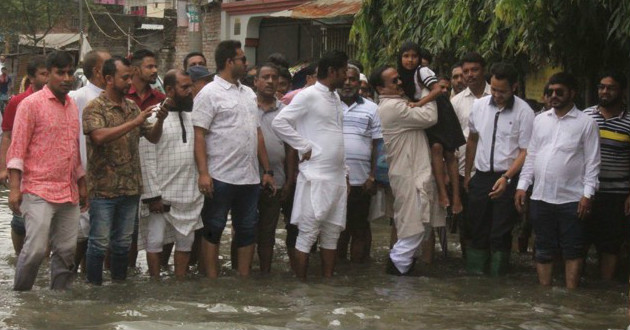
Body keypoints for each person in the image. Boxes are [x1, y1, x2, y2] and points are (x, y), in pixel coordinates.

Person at [192, 40, 274, 279]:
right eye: (242, 59)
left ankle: (244, 279)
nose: (246, 64)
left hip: (249, 177)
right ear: (229, 62)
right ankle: (212, 280)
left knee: (248, 229)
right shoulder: (209, 93)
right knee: (214, 228)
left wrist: (267, 170)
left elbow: (257, 133)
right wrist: (203, 173)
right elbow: (199, 134)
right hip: (220, 175)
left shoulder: (248, 93)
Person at [83, 56, 168, 285]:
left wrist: (159, 121)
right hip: (103, 189)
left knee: (122, 243)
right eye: (125, 78)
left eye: (130, 76)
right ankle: (94, 288)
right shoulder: (94, 107)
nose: (130, 82)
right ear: (109, 79)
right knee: (99, 243)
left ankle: (119, 288)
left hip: (131, 188)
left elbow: (152, 137)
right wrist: (134, 122)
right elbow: (98, 137)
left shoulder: (132, 107)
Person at [7, 51, 88, 291]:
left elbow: (73, 148)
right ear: (48, 74)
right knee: (35, 250)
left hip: (68, 189)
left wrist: (82, 184)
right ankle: (21, 299)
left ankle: (58, 302)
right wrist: (14, 189)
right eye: (59, 73)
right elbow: (17, 148)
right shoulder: (30, 105)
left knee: (66, 252)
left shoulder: (72, 105)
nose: (66, 78)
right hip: (37, 188)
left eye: (69, 73)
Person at [515, 72, 600, 289]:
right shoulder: (540, 120)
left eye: (559, 92)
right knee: (543, 248)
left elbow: (592, 163)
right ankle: (545, 293)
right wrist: (522, 186)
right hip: (541, 196)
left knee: (573, 249)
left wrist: (587, 195)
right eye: (550, 92)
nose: (554, 96)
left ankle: (571, 293)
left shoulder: (586, 123)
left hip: (572, 198)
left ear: (572, 93)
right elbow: (532, 155)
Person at [272, 50, 349, 280]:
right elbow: (280, 123)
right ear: (332, 71)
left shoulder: (335, 98)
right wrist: (303, 146)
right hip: (314, 177)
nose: (346, 76)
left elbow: (336, 136)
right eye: (344, 72)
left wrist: (345, 172)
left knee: (332, 234)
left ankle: (327, 287)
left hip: (336, 179)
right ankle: (301, 289)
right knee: (307, 234)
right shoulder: (308, 95)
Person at [464, 62, 534, 276]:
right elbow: (473, 139)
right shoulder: (479, 106)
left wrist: (506, 177)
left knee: (500, 232)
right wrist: (468, 174)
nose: (496, 95)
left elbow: (525, 151)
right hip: (482, 176)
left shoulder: (525, 112)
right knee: (477, 230)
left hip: (509, 178)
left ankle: (497, 279)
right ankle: (476, 280)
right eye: (493, 89)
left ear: (514, 87)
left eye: (502, 91)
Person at [368, 65, 438, 276]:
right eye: (394, 81)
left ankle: (402, 282)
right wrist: (427, 86)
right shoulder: (391, 107)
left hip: (411, 171)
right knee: (412, 227)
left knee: (418, 227)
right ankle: (397, 276)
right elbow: (430, 116)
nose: (400, 83)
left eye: (400, 79)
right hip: (407, 173)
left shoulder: (400, 103)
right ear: (381, 89)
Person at [397, 42, 465, 255]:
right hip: (429, 113)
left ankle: (454, 198)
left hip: (440, 110)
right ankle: (445, 195)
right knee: (436, 149)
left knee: (449, 153)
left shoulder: (422, 71)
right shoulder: (402, 76)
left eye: (413, 56)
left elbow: (436, 91)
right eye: (405, 56)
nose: (410, 60)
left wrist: (418, 104)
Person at [139, 69, 203, 280]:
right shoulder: (152, 116)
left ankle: (180, 286)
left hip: (189, 194)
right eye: (184, 87)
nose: (190, 91)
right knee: (155, 243)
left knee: (186, 243)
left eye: (190, 86)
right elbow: (146, 160)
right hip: (161, 196)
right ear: (169, 90)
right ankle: (155, 284)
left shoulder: (193, 116)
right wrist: (153, 196)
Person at [582, 71, 629, 281]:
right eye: (601, 87)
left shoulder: (628, 121)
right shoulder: (585, 117)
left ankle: (606, 288)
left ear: (622, 91)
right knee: (578, 242)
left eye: (610, 88)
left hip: (616, 195)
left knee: (610, 246)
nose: (605, 91)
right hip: (585, 193)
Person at [0, 55, 48, 256]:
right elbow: (7, 135)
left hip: (48, 169)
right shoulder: (18, 102)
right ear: (31, 77)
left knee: (47, 220)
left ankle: (44, 261)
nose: (47, 78)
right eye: (43, 74)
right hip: (23, 168)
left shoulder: (62, 102)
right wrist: (4, 168)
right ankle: (20, 257)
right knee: (20, 219)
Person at [69, 50, 112, 272]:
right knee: (80, 236)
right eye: (108, 63)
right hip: (83, 175)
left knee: (102, 237)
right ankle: (67, 280)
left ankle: (90, 281)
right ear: (97, 71)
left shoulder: (117, 98)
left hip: (110, 179)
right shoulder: (78, 98)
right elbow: (70, 138)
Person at [254, 62, 297, 273]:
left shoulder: (286, 112)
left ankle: (264, 274)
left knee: (268, 231)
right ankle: (239, 273)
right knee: (242, 229)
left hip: (277, 179)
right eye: (266, 77)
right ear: (256, 82)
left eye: (274, 78)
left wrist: (289, 181)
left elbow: (291, 149)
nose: (271, 82)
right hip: (247, 179)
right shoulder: (246, 107)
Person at [126, 49, 168, 269]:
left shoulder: (161, 100)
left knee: (153, 232)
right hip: (123, 172)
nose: (154, 70)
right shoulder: (122, 97)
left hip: (151, 174)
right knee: (125, 233)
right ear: (135, 69)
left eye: (155, 66)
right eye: (149, 66)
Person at [336, 64, 382, 263]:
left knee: (359, 229)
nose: (348, 83)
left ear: (359, 83)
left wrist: (373, 176)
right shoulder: (328, 104)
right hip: (334, 181)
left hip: (361, 181)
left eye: (352, 79)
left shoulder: (372, 108)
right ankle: (337, 272)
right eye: (344, 78)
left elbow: (378, 145)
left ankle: (356, 275)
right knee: (336, 230)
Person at [451, 52, 492, 256]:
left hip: (493, 170)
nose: (470, 75)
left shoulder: (498, 95)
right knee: (466, 223)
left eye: (474, 70)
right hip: (464, 170)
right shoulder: (456, 102)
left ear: (484, 70)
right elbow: (452, 138)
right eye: (466, 71)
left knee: (492, 223)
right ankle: (468, 264)